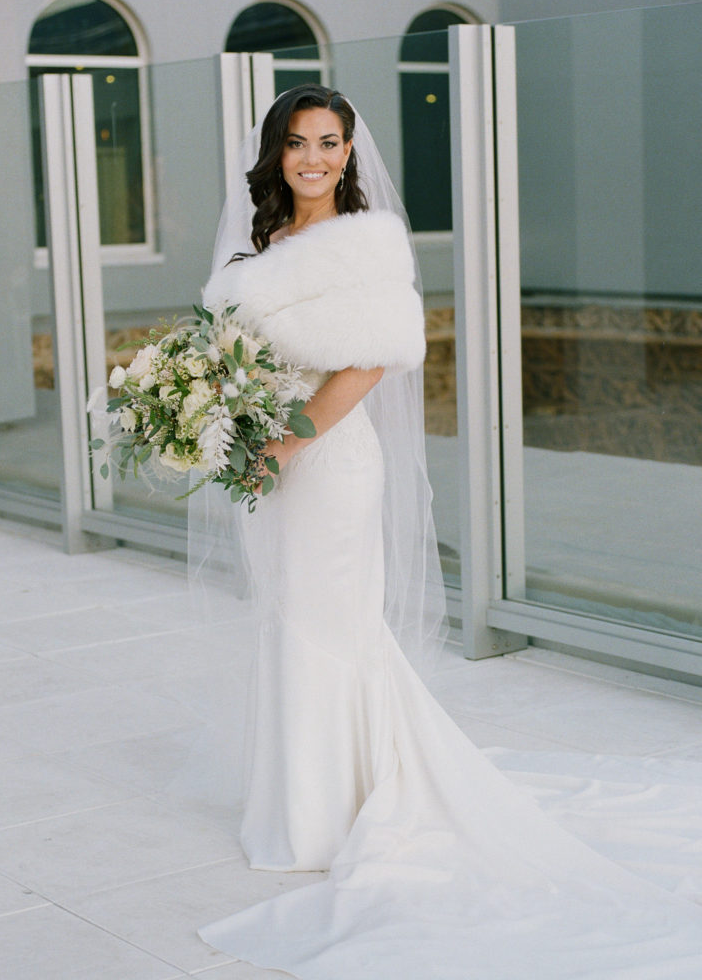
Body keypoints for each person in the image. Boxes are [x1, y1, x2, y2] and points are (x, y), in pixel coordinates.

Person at [192, 85, 702, 978]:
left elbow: (369, 357)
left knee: (330, 624)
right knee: (286, 618)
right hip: (269, 463)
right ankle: (304, 799)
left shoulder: (367, 241)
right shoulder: (258, 243)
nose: (315, 159)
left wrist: (287, 442)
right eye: (299, 143)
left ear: (350, 153)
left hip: (326, 462)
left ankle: (344, 806)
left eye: (331, 143)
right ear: (274, 152)